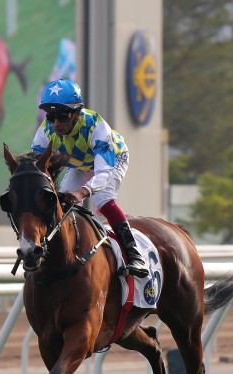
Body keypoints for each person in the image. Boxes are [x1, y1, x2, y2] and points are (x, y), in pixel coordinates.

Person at [31, 79, 149, 278]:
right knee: (62, 202)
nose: (56, 123)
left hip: (113, 158)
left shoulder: (96, 125)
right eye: (51, 116)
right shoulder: (46, 130)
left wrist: (83, 191)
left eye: (62, 116)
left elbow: (103, 173)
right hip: (79, 164)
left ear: (77, 113)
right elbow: (37, 168)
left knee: (102, 199)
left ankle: (133, 254)